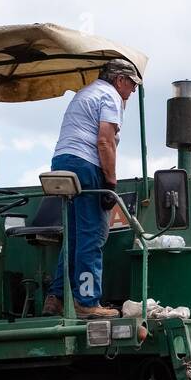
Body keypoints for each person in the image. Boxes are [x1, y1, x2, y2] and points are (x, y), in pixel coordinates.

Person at [42, 59, 141, 317]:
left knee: (73, 235)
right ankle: (87, 302)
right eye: (132, 85)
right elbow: (104, 141)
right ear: (120, 80)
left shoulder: (85, 92)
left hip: (61, 161)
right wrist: (110, 181)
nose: (132, 91)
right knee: (93, 235)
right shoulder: (111, 97)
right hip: (86, 165)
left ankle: (56, 297)